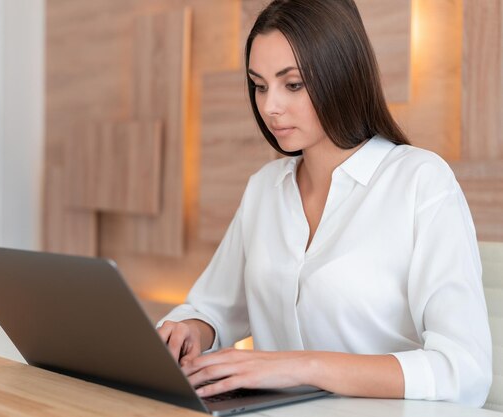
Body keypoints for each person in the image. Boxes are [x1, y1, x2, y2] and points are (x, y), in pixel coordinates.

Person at [156, 0, 493, 408]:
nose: (269, 107)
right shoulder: (264, 189)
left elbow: (464, 369)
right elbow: (214, 307)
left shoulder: (420, 182)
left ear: (342, 75)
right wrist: (192, 328)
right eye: (260, 85)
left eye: (292, 84)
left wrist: (302, 366)